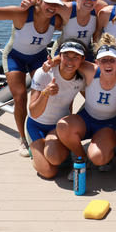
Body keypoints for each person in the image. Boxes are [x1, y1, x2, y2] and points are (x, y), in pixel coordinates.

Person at [0, 0, 65, 157]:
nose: (52, 8)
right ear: (39, 1)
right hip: (14, 56)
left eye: (56, 4)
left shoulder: (57, 20)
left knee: (47, 91)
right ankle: (23, 139)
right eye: (49, 3)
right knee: (20, 96)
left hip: (38, 57)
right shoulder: (21, 14)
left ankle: (46, 128)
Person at [55, 33, 116, 173]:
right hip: (86, 116)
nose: (108, 64)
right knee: (63, 126)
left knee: (99, 158)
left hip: (108, 123)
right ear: (96, 62)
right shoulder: (90, 70)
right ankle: (81, 159)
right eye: (103, 60)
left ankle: (110, 147)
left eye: (112, 60)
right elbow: (69, 60)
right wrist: (52, 62)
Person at [26, 40, 86, 178]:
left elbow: (92, 100)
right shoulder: (44, 73)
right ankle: (34, 150)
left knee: (55, 158)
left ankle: (54, 150)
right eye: (66, 56)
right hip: (36, 124)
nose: (70, 62)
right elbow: (34, 112)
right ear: (60, 56)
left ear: (82, 59)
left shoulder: (81, 79)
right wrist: (45, 93)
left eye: (76, 57)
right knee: (48, 172)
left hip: (59, 127)